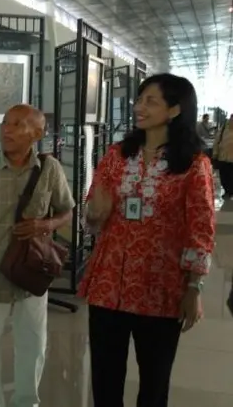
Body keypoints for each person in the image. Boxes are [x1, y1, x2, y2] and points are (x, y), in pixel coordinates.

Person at [80, 73, 214, 407]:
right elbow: (92, 212)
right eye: (139, 100)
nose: (139, 107)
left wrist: (193, 288)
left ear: (174, 110)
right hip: (109, 284)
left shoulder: (193, 165)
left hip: (160, 287)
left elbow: (200, 227)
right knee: (104, 379)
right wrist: (95, 211)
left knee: (154, 383)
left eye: (150, 101)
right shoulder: (116, 155)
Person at [0, 104, 75, 407]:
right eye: (5, 123)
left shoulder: (50, 170)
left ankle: (27, 402)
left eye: (18, 124)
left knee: (33, 348)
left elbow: (67, 211)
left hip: (32, 278)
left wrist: (46, 224)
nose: (7, 129)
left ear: (37, 133)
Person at [212, 113, 233, 197]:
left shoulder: (224, 128)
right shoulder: (224, 128)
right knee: (224, 176)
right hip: (223, 157)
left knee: (229, 175)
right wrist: (215, 153)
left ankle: (230, 191)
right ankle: (228, 191)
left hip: (228, 158)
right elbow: (217, 141)